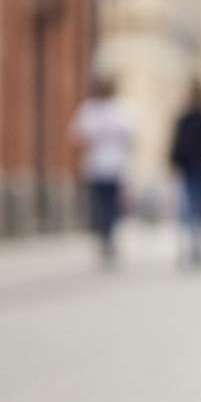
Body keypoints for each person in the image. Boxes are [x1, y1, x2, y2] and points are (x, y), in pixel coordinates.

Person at [70, 74, 134, 265]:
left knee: (111, 206)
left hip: (115, 168)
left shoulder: (120, 110)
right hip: (96, 167)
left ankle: (109, 238)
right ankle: (103, 237)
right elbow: (77, 135)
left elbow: (130, 137)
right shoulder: (90, 109)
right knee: (99, 205)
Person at [169, 80, 201, 267]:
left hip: (188, 165)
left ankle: (192, 240)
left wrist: (173, 164)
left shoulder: (184, 118)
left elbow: (175, 143)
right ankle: (196, 241)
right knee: (199, 205)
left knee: (189, 204)